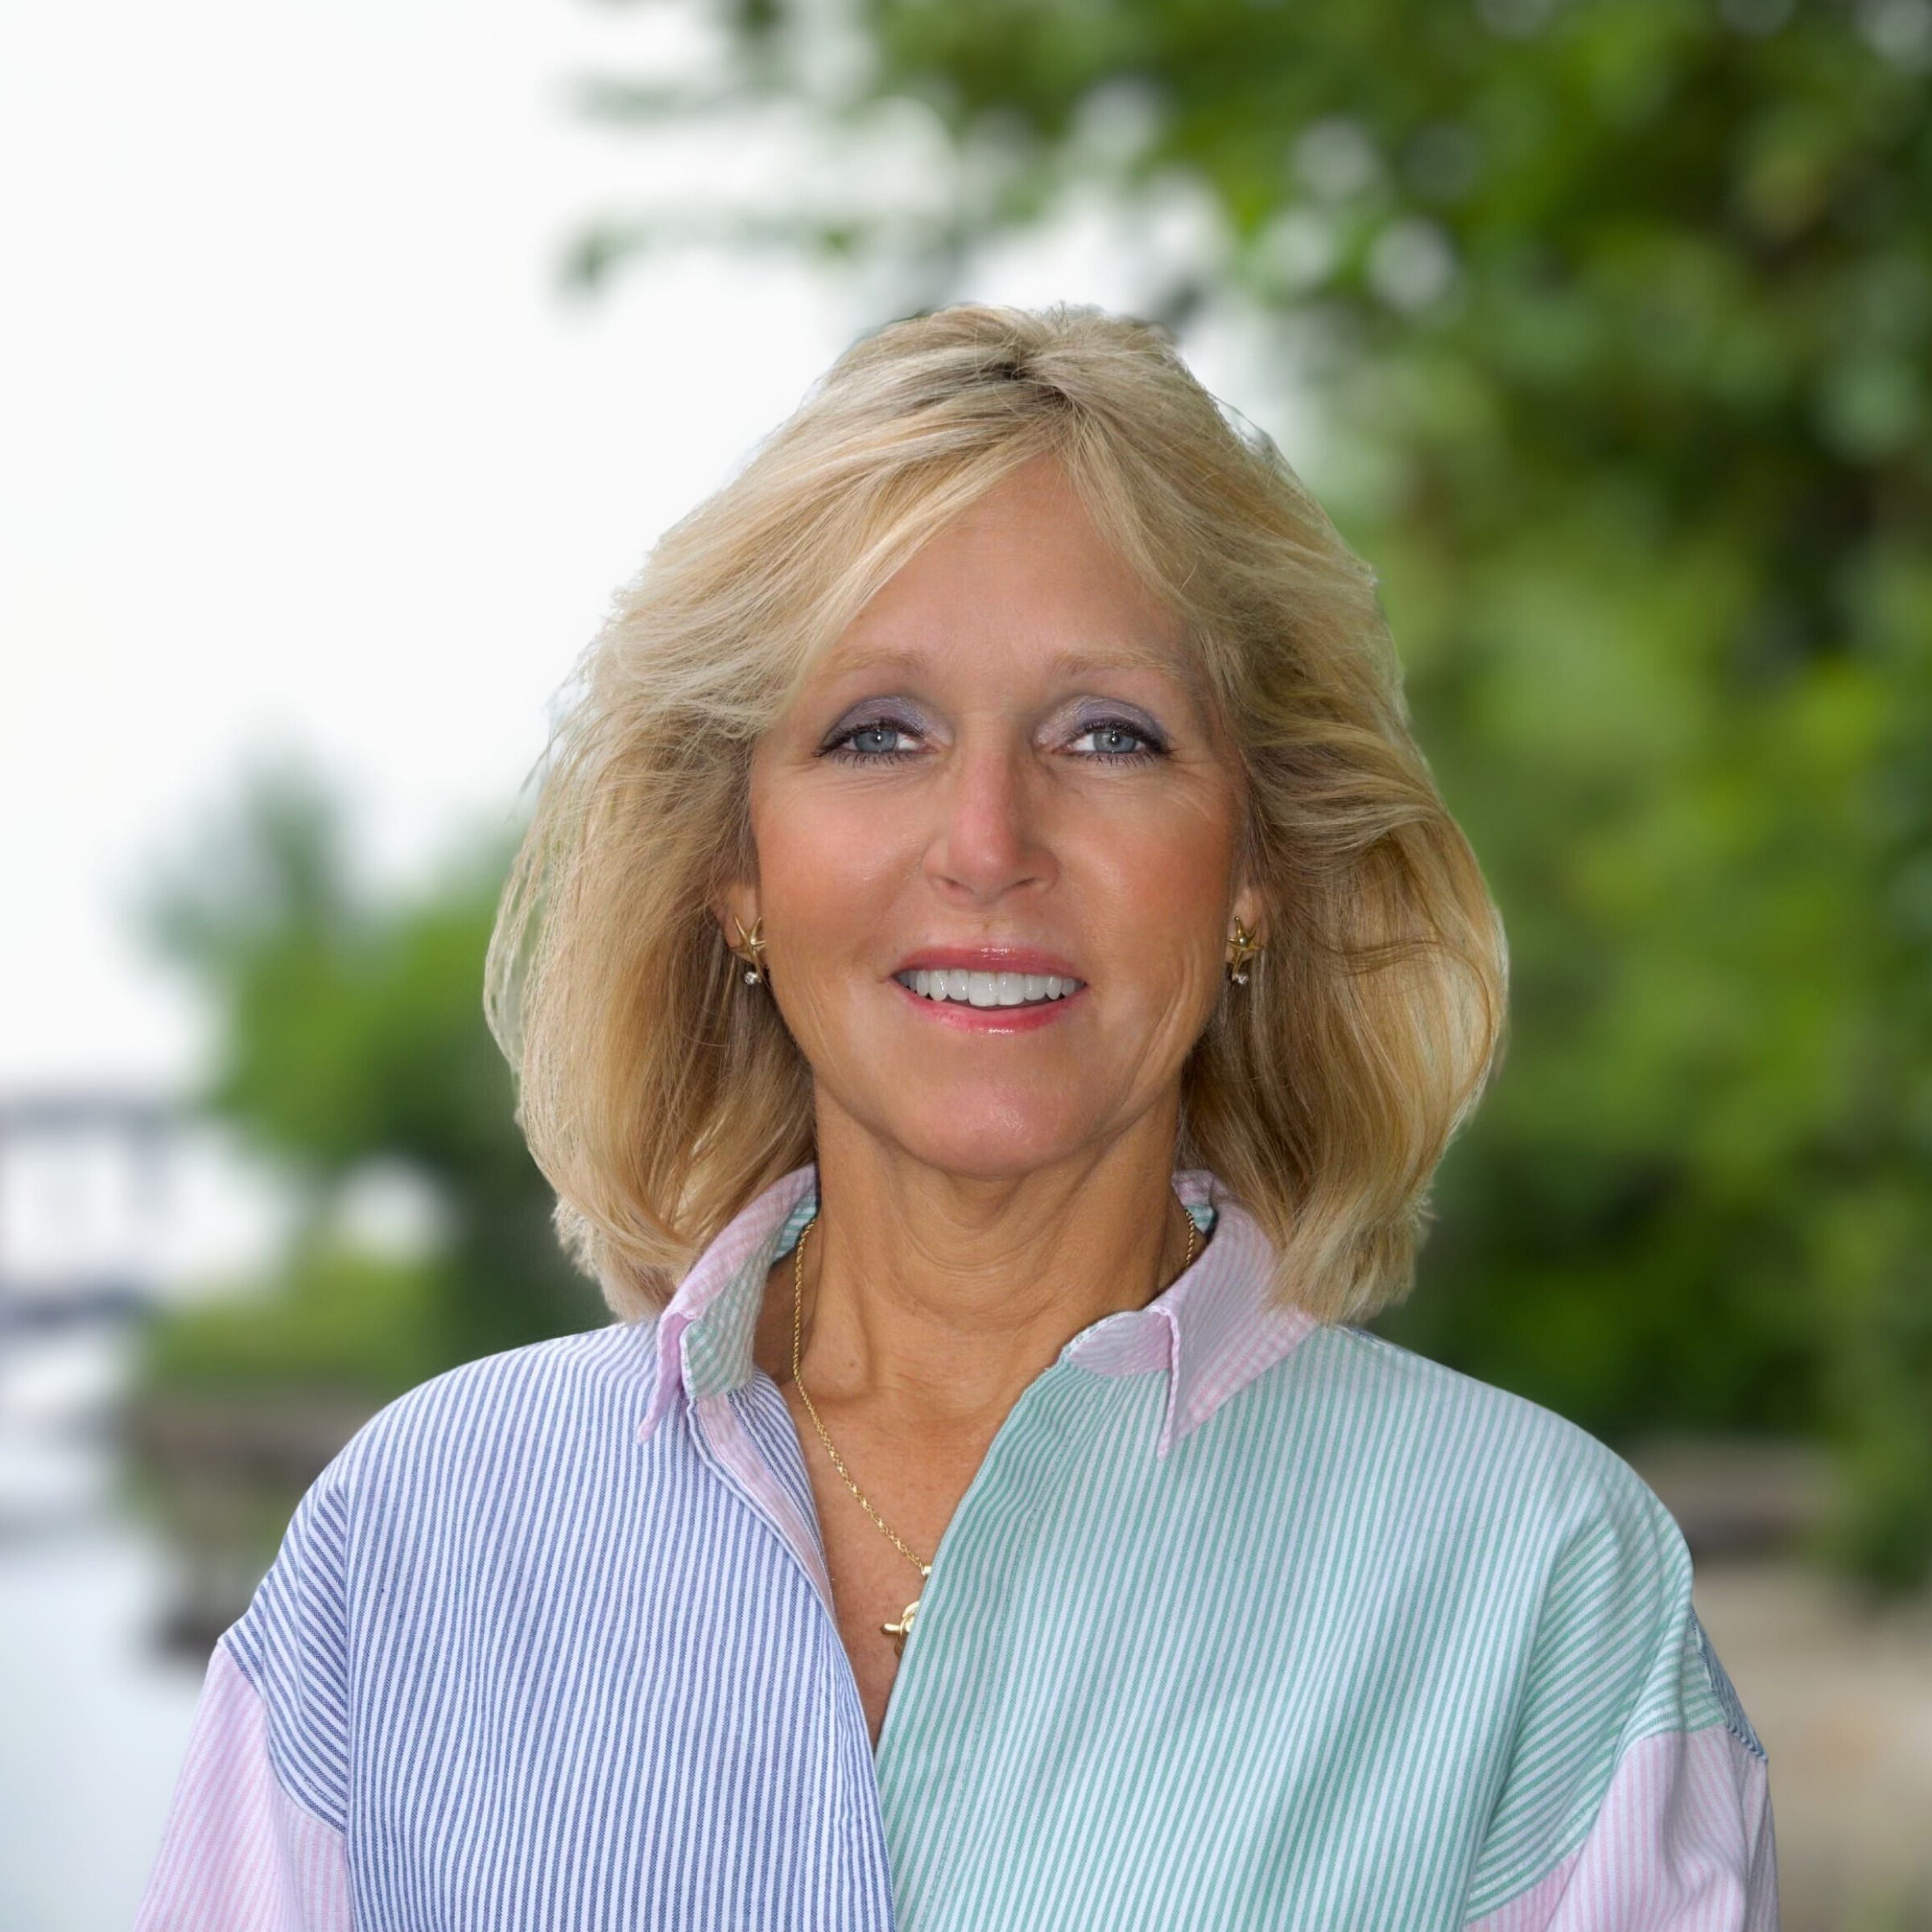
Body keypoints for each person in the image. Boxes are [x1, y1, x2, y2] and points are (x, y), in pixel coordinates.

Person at [135, 304, 1777, 1929]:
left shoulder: (1542, 1599)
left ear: (1257, 873)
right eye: (879, 734)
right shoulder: (415, 1541)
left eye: (1109, 735)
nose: (989, 842)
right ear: (737, 872)